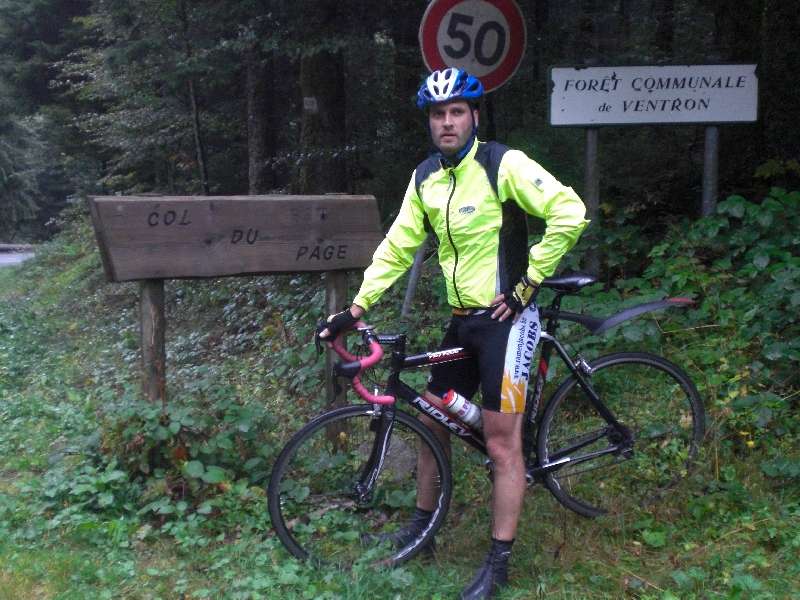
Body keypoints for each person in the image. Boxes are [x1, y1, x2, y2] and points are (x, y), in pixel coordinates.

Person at [319, 67, 588, 599]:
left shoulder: (501, 164)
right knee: (431, 416)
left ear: (473, 116)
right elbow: (397, 247)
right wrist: (356, 306)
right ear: (430, 122)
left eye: (456, 112)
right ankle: (424, 526)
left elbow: (569, 211)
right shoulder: (426, 178)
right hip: (463, 319)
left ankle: (499, 562)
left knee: (502, 441)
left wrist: (528, 283)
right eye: (438, 114)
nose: (447, 122)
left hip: (507, 320)